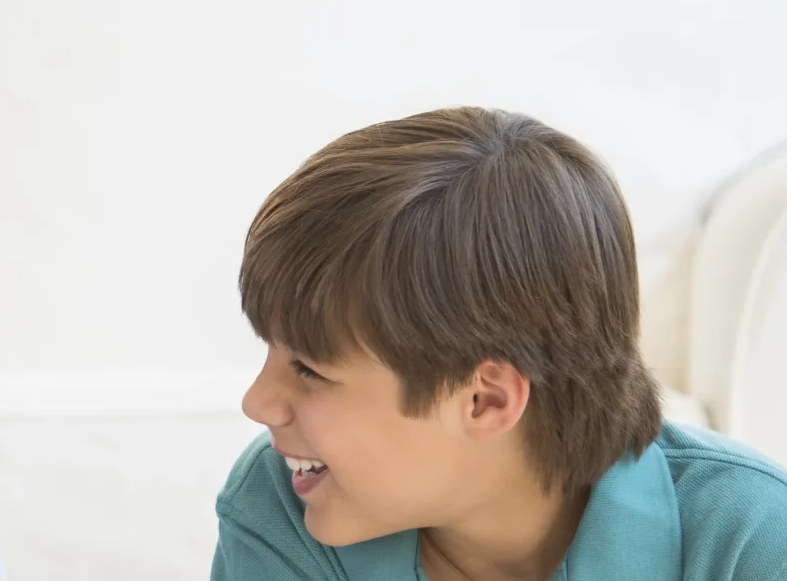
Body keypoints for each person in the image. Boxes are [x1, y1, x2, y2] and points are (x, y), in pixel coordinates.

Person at [214, 106, 787, 580]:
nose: (257, 401)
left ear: (485, 400)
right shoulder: (278, 509)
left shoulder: (752, 541)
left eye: (309, 369)